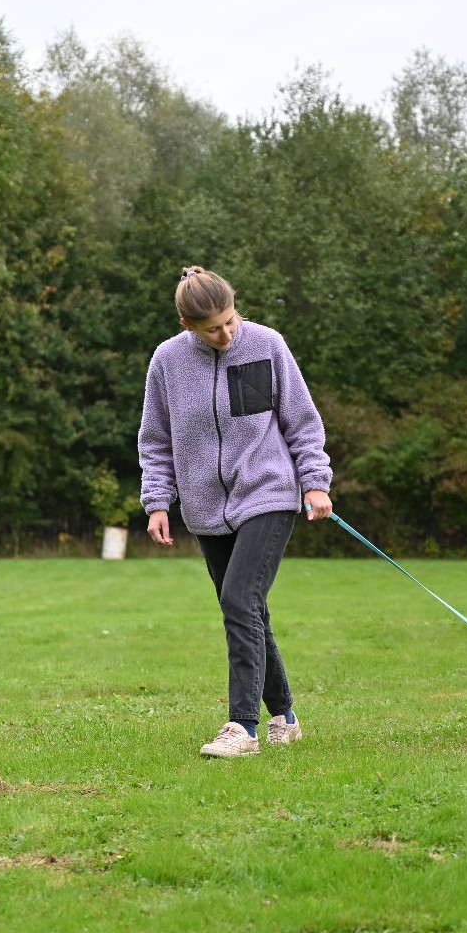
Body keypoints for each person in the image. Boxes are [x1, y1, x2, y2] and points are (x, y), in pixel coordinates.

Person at [138, 266, 333, 758]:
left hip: (268, 492)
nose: (226, 334)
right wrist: (157, 501)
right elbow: (156, 439)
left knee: (239, 599)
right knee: (247, 608)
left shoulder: (267, 345)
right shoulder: (167, 361)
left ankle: (243, 726)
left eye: (230, 321)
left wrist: (315, 482)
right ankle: (285, 717)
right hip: (204, 505)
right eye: (212, 329)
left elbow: (302, 421)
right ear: (187, 325)